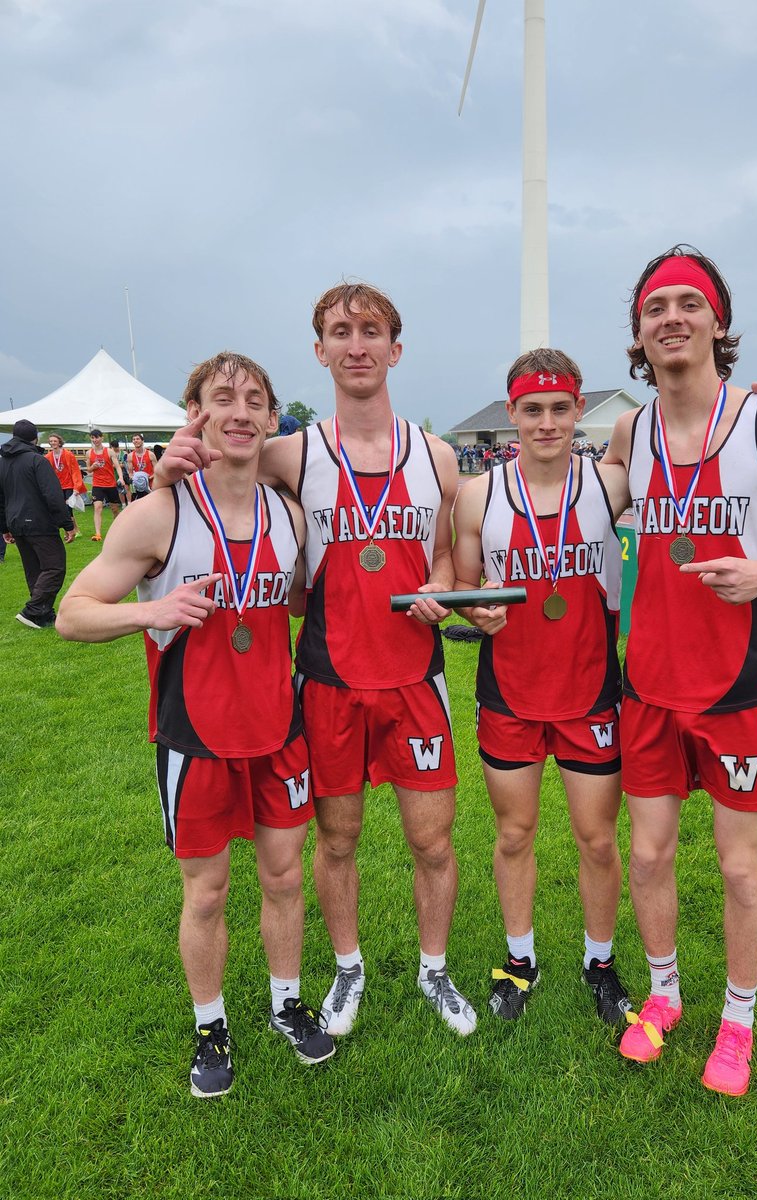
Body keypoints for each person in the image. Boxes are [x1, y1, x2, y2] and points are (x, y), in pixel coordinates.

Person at [154, 284, 476, 1038]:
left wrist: (445, 588)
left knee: (432, 841)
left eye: (371, 331)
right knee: (336, 841)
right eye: (340, 331)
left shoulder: (436, 456)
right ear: (320, 351)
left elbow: (447, 562)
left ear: (395, 350)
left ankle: (435, 970)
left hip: (416, 681)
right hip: (327, 682)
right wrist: (169, 467)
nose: (356, 344)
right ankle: (347, 968)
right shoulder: (289, 452)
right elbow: (213, 472)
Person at [57, 352, 334, 1098]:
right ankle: (211, 1026)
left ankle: (286, 1004)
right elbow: (71, 613)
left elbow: (301, 602)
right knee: (206, 892)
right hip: (194, 738)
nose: (240, 411)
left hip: (279, 731)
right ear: (197, 415)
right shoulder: (161, 513)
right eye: (223, 399)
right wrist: (153, 609)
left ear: (274, 420)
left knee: (283, 878)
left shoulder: (291, 515)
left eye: (255, 400)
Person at [604, 245, 757, 1096]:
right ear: (637, 333)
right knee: (648, 856)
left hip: (742, 685)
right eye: (655, 307)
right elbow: (569, 499)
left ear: (717, 321)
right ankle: (664, 997)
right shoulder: (629, 431)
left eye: (688, 304)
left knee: (743, 868)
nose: (671, 318)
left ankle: (737, 1020)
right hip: (652, 685)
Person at [452, 349, 634, 1024]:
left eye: (561, 408)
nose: (548, 422)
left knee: (596, 839)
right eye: (533, 409)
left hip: (591, 693)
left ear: (580, 409)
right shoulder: (480, 495)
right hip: (512, 695)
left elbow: (681, 427)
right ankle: (520, 961)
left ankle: (601, 963)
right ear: (512, 415)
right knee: (514, 833)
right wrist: (475, 609)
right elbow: (465, 589)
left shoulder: (609, 484)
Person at [0, 419, 76, 626]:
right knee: (54, 567)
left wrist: (5, 527)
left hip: (17, 522)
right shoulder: (37, 460)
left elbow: (1, 498)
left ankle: (43, 613)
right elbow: (53, 495)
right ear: (34, 438)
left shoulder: (2, 462)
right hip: (39, 522)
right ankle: (33, 611)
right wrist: (67, 524)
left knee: (34, 569)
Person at [85, 428, 125, 539]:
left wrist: (121, 478)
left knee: (115, 509)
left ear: (102, 438)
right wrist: (92, 467)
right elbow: (88, 470)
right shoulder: (89, 453)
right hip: (97, 484)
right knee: (97, 507)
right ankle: (98, 534)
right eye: (93, 438)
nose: (95, 440)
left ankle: (119, 529)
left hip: (110, 484)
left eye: (97, 437)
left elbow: (117, 466)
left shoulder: (109, 451)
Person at [46, 433, 87, 534]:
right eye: (51, 441)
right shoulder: (48, 457)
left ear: (59, 442)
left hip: (69, 485)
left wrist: (77, 487)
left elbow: (75, 471)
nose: (53, 443)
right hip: (57, 487)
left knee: (67, 509)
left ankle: (71, 531)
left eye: (55, 441)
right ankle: (74, 530)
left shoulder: (68, 455)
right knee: (62, 509)